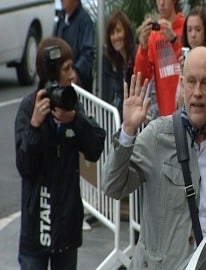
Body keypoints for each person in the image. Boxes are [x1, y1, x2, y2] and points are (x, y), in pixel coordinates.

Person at [102, 46, 206, 269]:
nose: (197, 91)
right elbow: (112, 187)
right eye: (191, 81)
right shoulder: (157, 137)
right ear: (181, 84)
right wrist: (128, 131)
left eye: (205, 83)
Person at [15, 37, 106, 270]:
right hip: (36, 232)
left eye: (72, 66)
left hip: (66, 232)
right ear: (51, 73)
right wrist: (35, 126)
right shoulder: (29, 108)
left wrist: (75, 121)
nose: (73, 74)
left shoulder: (72, 105)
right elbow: (25, 166)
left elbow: (95, 148)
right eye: (66, 69)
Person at [134, 0, 185, 117]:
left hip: (188, 112)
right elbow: (141, 79)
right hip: (166, 116)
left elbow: (193, 63)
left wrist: (174, 41)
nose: (161, 3)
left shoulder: (187, 27)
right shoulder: (153, 36)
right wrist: (143, 48)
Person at [102, 9, 137, 122]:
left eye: (118, 31)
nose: (115, 37)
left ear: (126, 32)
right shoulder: (117, 60)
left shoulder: (137, 55)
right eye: (112, 33)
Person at [176, 5, 206, 108]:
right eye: (189, 30)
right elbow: (179, 104)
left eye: (197, 30)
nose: (193, 35)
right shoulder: (184, 59)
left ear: (205, 31)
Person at [54, 0, 94, 93]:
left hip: (78, 86)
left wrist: (75, 71)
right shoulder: (60, 19)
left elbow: (88, 53)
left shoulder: (84, 20)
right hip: (60, 83)